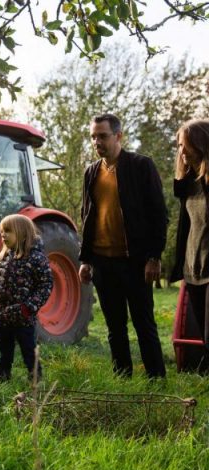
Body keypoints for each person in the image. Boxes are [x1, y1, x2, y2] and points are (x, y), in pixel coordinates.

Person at [79, 113, 167, 379]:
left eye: (102, 136)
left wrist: (154, 256)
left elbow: (158, 214)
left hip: (135, 261)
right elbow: (87, 216)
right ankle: (122, 378)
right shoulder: (91, 172)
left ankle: (156, 380)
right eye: (93, 136)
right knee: (115, 327)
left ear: (118, 136)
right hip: (103, 263)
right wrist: (85, 259)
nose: (97, 141)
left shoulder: (141, 166)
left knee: (144, 325)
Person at [0, 214, 53, 382]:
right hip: (2, 316)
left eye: (8, 231)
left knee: (29, 350)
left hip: (23, 317)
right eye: (2, 231)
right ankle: (3, 378)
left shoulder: (37, 259)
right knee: (4, 352)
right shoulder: (1, 259)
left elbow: (45, 286)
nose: (3, 235)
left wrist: (28, 307)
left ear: (22, 233)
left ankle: (36, 380)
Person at [170, 119, 209, 369]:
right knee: (205, 339)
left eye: (185, 145)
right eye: (179, 146)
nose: (181, 151)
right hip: (193, 268)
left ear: (201, 144)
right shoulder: (189, 184)